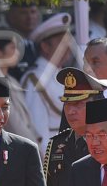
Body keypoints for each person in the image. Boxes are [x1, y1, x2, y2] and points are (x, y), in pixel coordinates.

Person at [22, 12, 75, 151]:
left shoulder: (65, 75)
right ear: (45, 47)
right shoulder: (35, 79)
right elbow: (38, 133)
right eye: (62, 42)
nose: (69, 47)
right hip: (53, 159)